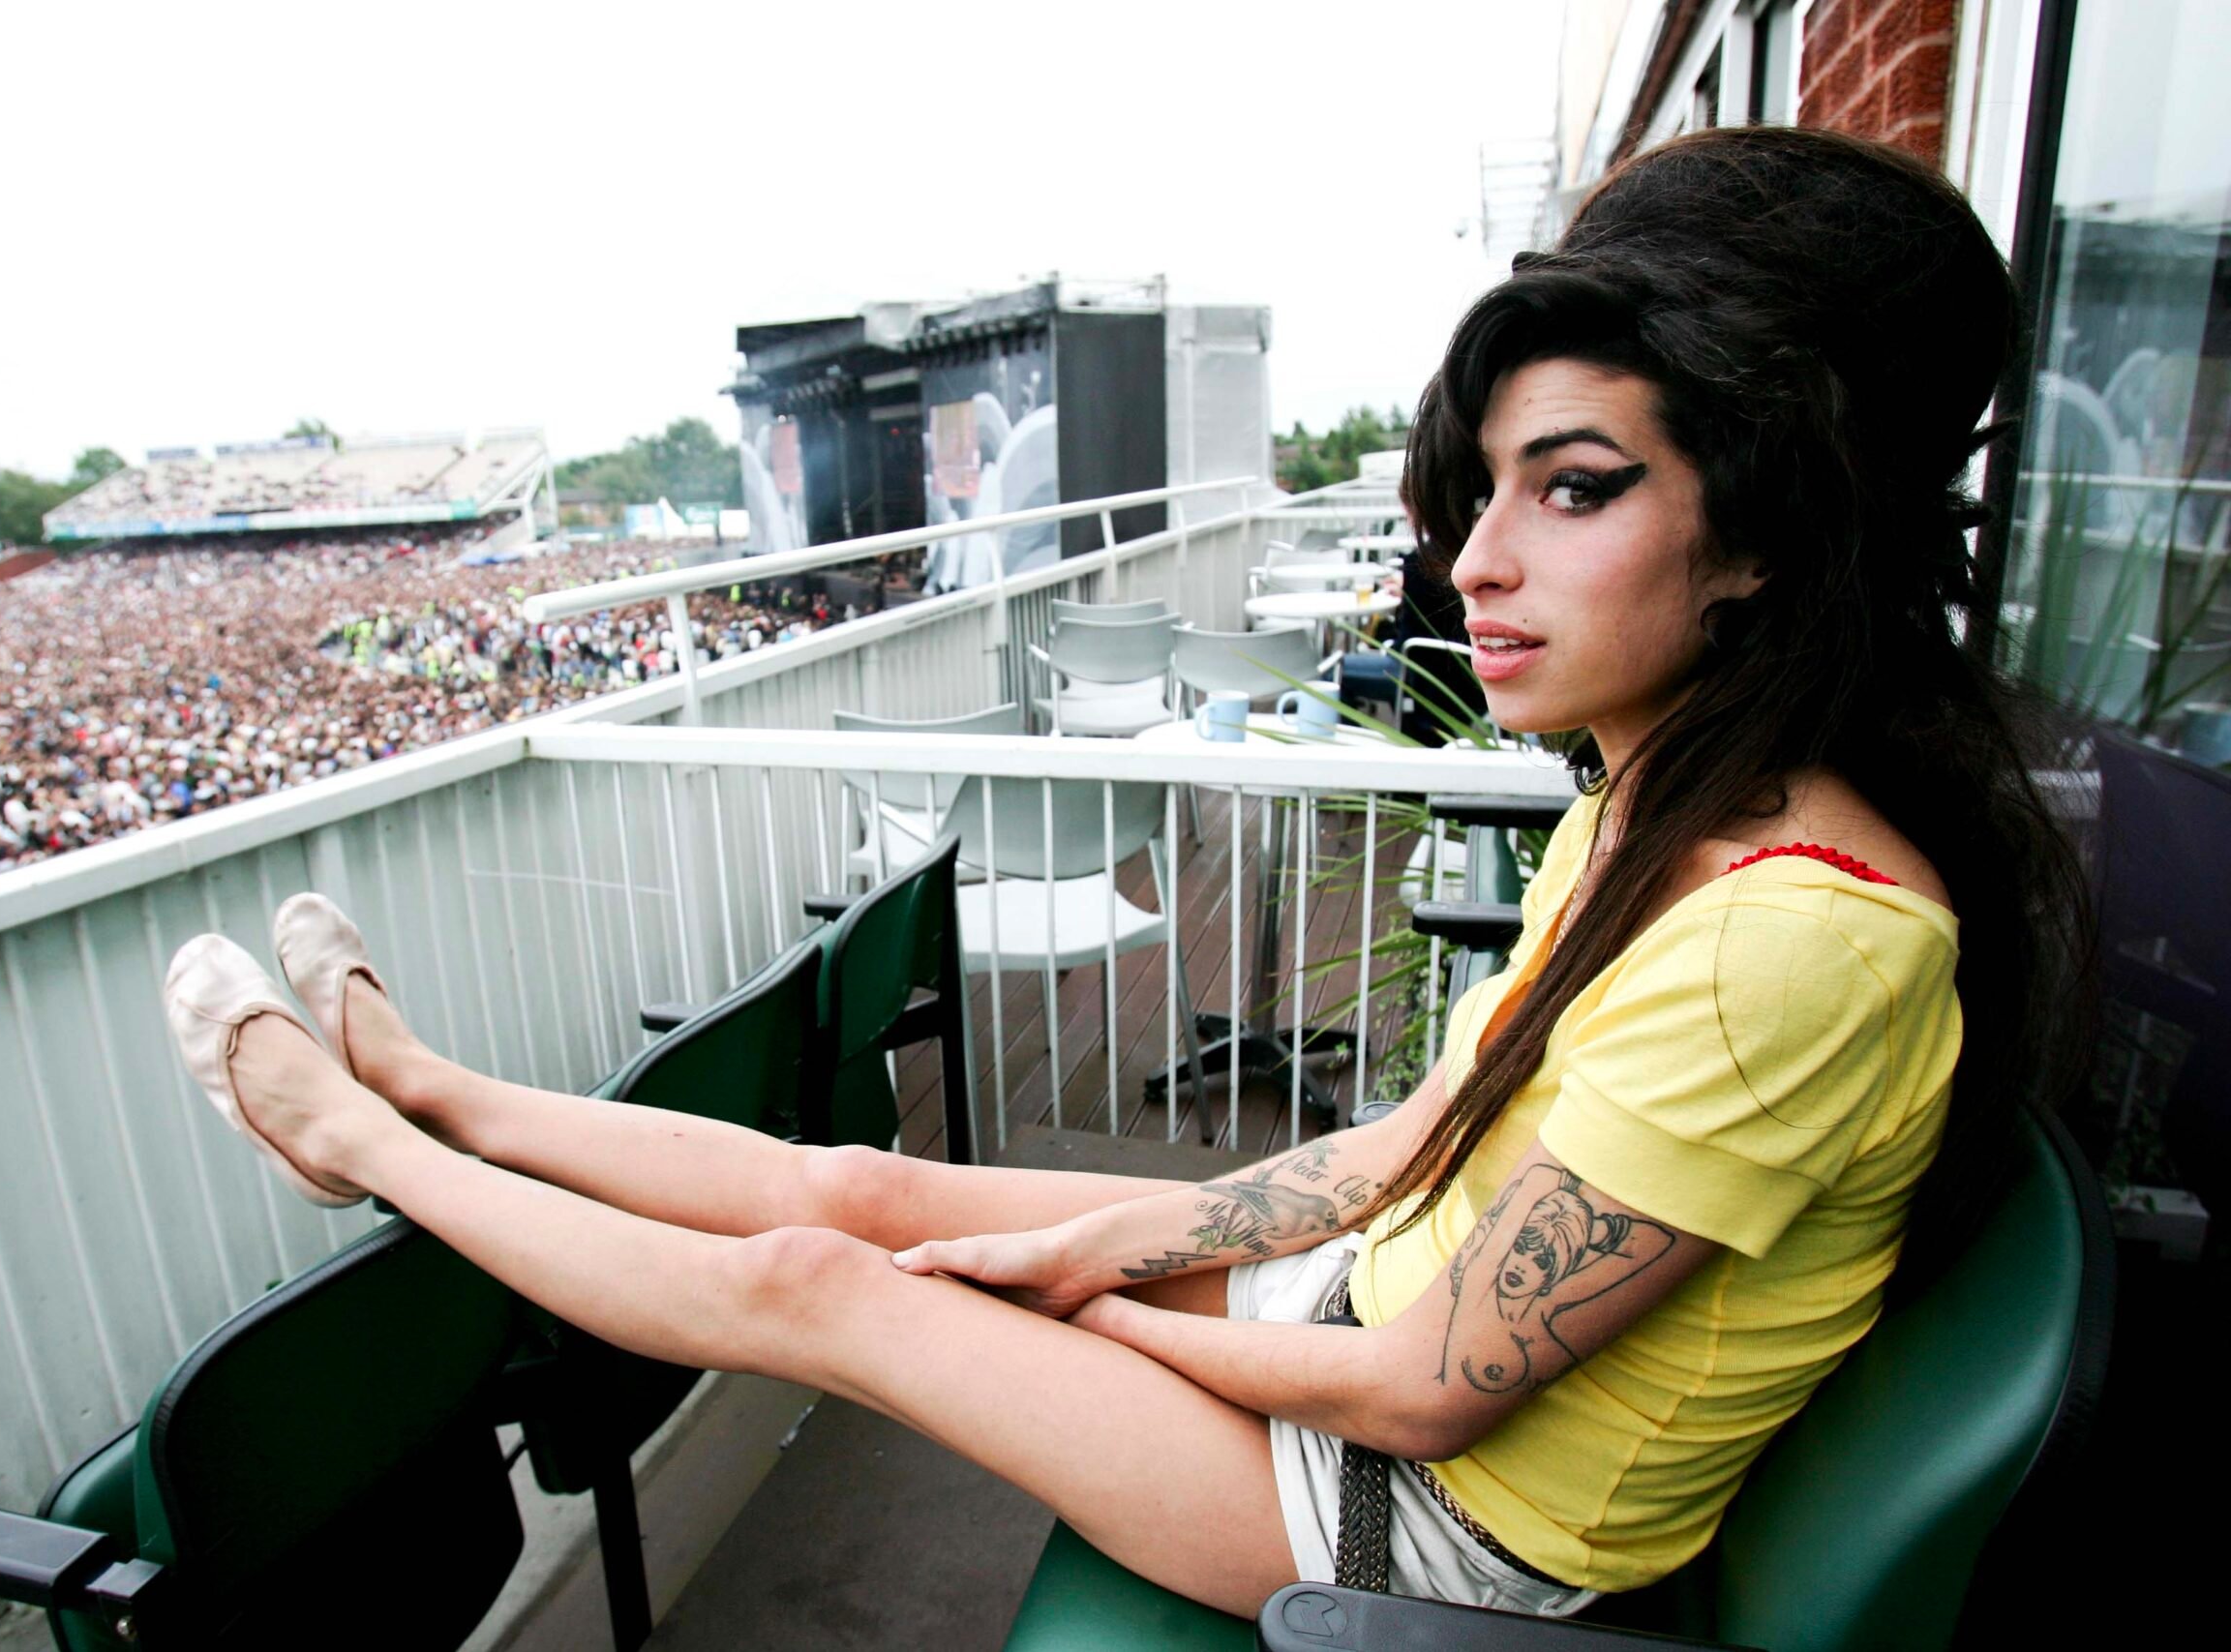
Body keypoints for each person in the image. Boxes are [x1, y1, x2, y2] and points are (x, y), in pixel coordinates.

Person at [157, 127, 2089, 1622]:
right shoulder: (1662, 799)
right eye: (1487, 485)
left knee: (822, 1275)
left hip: (1426, 1527)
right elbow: (1416, 1138)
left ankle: (363, 1145)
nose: (1470, 563)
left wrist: (1090, 1309)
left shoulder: (1790, 933)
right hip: (1350, 1313)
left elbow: (1427, 1396)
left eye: (1569, 489)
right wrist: (1097, 1240)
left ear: (1759, 526)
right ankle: (435, 1091)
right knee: (862, 1182)